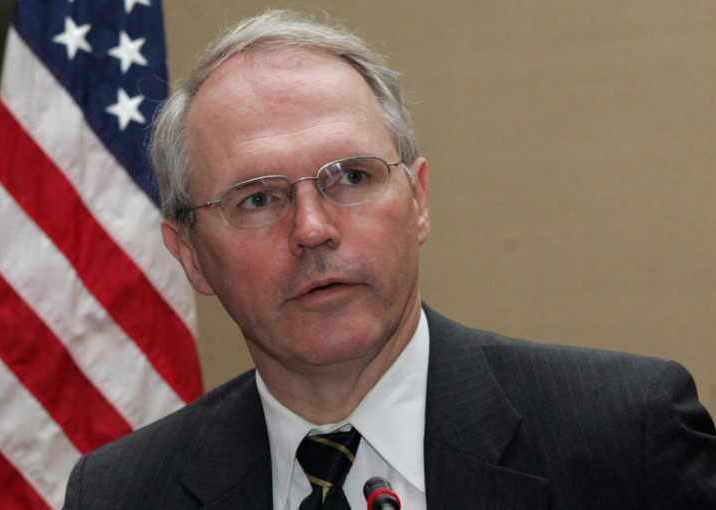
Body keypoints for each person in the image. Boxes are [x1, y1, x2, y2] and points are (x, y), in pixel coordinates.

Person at [64, 9, 716, 509]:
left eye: (352, 177)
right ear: (191, 257)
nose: (312, 229)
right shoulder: (120, 494)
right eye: (258, 198)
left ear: (418, 200)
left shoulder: (625, 436)